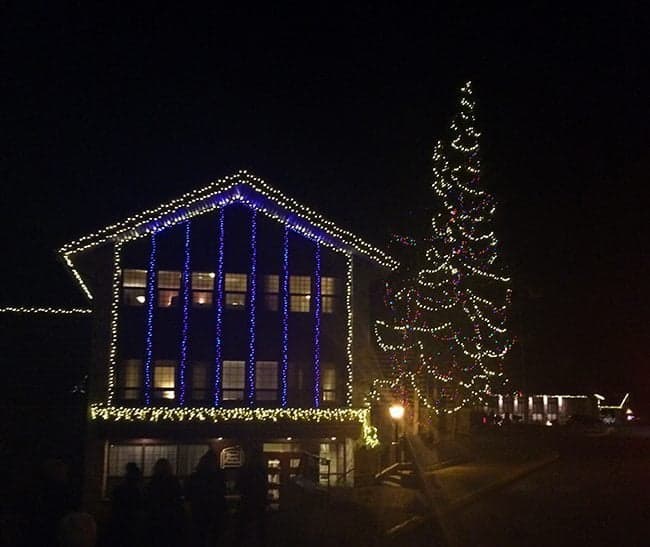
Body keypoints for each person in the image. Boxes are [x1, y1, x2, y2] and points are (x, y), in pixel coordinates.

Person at [185, 446, 227, 547]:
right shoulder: (218, 476)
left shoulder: (195, 477)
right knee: (213, 537)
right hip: (213, 512)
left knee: (200, 536)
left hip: (199, 511)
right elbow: (221, 492)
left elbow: (188, 493)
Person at [143, 458, 185, 547]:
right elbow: (179, 495)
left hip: (156, 515)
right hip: (171, 515)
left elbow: (148, 497)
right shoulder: (173, 481)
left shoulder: (153, 481)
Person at [236, 444, 268, 546]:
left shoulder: (248, 469)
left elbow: (239, 486)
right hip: (255, 504)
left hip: (249, 504)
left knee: (247, 529)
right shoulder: (260, 471)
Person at [107, 462, 143, 547]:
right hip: (131, 519)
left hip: (119, 518)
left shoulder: (120, 488)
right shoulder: (136, 489)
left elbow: (113, 500)